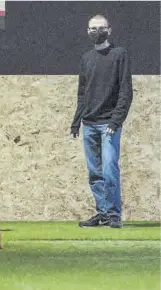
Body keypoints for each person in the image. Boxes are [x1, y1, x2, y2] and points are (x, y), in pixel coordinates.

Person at [72, 14, 133, 229]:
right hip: (89, 123)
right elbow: (82, 92)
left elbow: (125, 91)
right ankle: (103, 213)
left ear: (109, 29)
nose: (96, 32)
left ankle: (114, 214)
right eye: (92, 29)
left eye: (100, 28)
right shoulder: (86, 58)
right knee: (95, 173)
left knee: (109, 169)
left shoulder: (119, 55)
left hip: (109, 124)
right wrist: (77, 120)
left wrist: (115, 122)